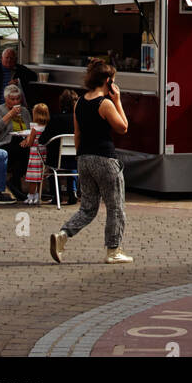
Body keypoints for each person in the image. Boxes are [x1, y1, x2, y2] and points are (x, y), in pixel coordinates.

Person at [50, 58, 132, 265]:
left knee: (87, 207)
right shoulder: (104, 104)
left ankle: (63, 234)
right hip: (105, 159)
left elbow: (77, 134)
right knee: (115, 207)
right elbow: (123, 127)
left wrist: (80, 158)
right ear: (108, 81)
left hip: (84, 158)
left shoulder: (80, 102)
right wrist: (118, 101)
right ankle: (113, 250)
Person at [0, 84, 32, 199]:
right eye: (12, 99)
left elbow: (31, 129)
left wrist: (28, 138)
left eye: (18, 99)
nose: (15, 101)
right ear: (6, 99)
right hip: (3, 142)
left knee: (30, 151)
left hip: (21, 141)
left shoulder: (24, 111)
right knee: (21, 150)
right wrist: (9, 115)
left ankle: (14, 182)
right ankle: (14, 183)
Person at [41, 89, 79, 203]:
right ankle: (72, 192)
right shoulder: (80, 120)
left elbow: (43, 139)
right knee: (71, 164)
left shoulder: (55, 119)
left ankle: (55, 196)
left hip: (57, 161)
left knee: (53, 161)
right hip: (76, 160)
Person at [21, 102, 50, 204]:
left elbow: (30, 143)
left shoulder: (35, 128)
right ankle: (38, 195)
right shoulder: (46, 127)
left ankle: (31, 195)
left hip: (34, 155)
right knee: (39, 177)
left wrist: (26, 138)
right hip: (43, 154)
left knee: (33, 178)